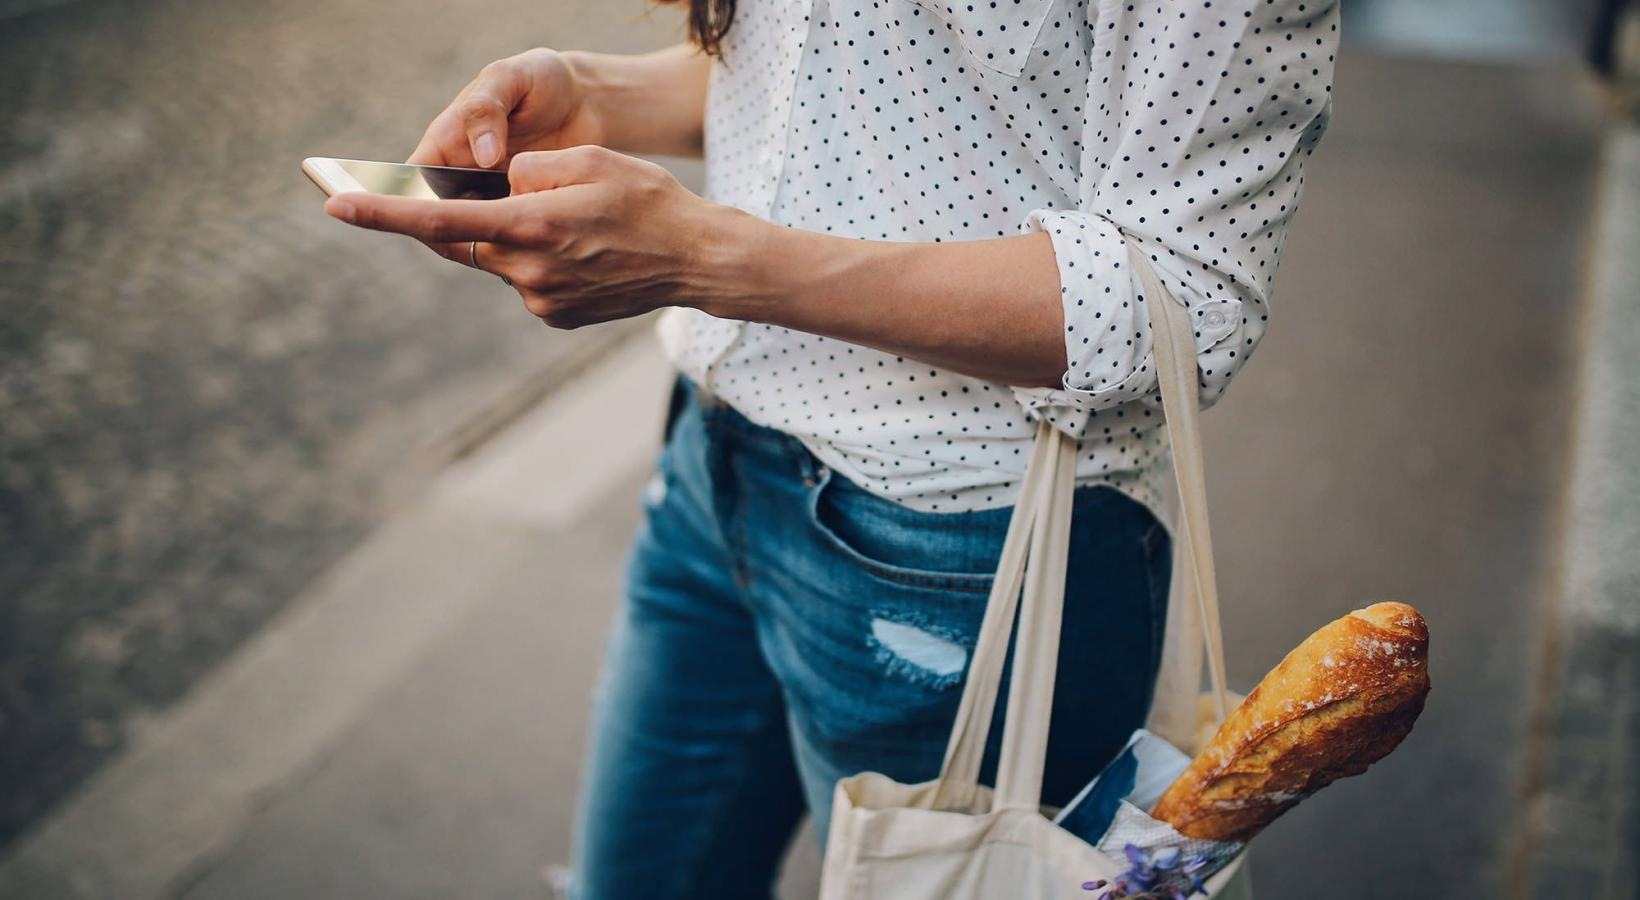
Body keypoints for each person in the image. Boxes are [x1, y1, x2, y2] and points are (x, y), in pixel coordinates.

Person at [324, 0, 1339, 895]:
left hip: (965, 554)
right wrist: (589, 91)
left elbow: (1182, 293)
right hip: (712, 466)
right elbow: (847, 70)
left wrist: (703, 257)